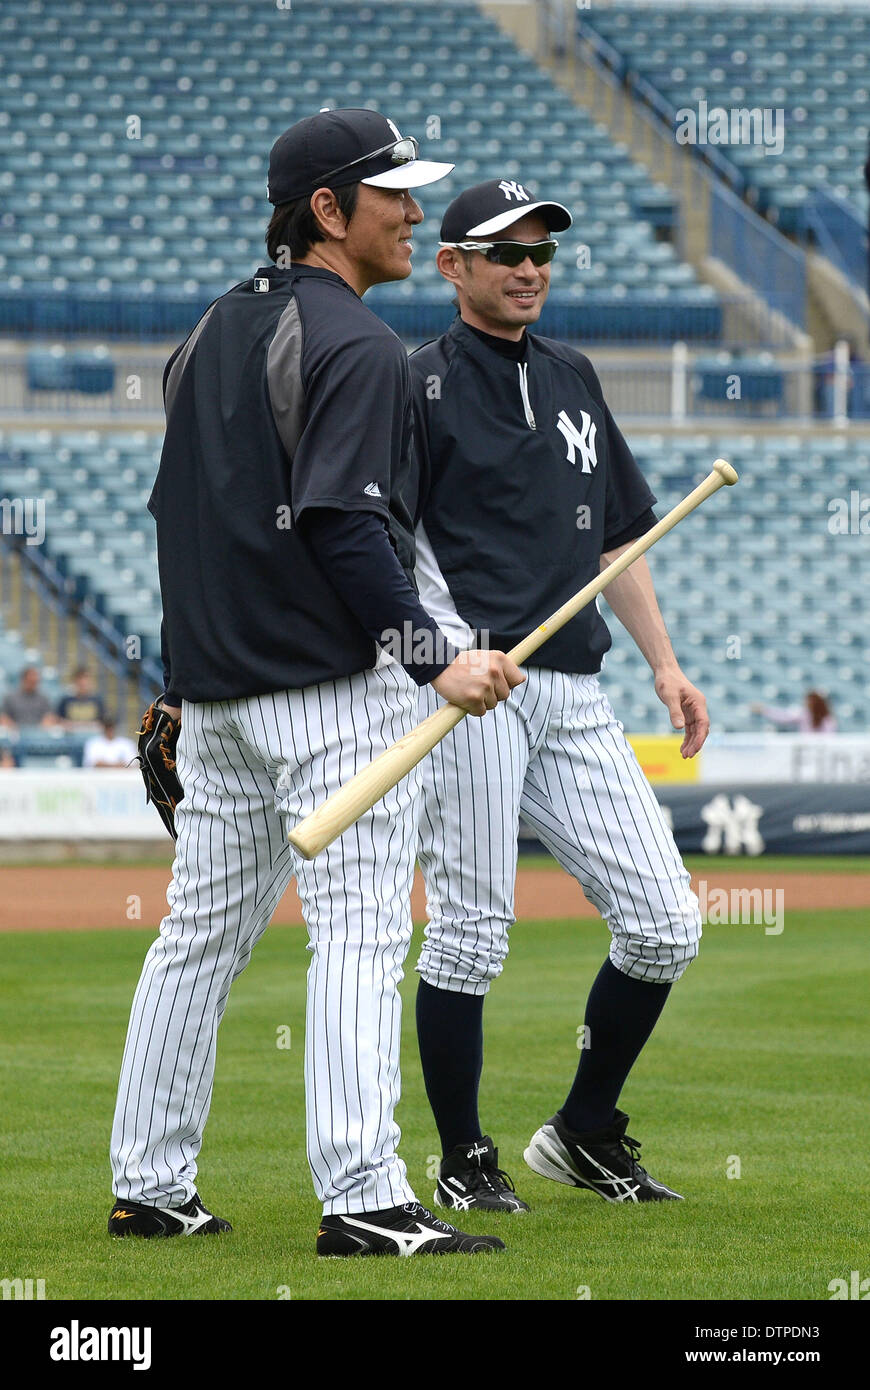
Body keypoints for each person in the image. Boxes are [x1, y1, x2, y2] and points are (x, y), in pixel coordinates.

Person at [108, 111, 523, 1257]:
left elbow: (178, 517)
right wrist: (440, 656)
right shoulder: (362, 346)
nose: (409, 212)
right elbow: (345, 523)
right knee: (358, 932)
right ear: (327, 212)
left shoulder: (206, 330)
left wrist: (186, 682)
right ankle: (366, 1196)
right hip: (331, 696)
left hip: (221, 701)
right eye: (389, 192)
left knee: (196, 936)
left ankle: (150, 1184)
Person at [408, 179, 709, 1213]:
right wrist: (438, 656)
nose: (529, 267)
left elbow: (617, 536)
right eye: (505, 253)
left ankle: (583, 1130)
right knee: (471, 932)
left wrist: (664, 663)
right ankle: (461, 1153)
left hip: (575, 688)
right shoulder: (414, 385)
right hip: (473, 691)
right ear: (452, 267)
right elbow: (377, 545)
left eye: (541, 252)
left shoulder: (577, 374)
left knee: (666, 921)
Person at [0, 666, 58, 730]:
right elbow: (4, 718)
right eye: (30, 681)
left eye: (35, 682)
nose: (33, 684)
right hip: (15, 733)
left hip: (39, 734)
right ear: (23, 680)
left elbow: (49, 717)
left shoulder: (44, 698)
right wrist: (14, 727)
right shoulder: (10, 698)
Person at [751, 691, 836, 733]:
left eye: (810, 701)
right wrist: (765, 710)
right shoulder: (804, 713)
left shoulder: (828, 719)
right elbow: (784, 716)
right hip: (806, 750)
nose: (806, 703)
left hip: (822, 752)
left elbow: (829, 737)